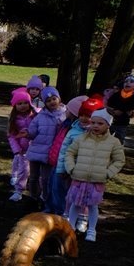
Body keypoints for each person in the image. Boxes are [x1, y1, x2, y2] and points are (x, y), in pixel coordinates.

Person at [64, 109, 125, 242]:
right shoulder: (81, 138)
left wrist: (108, 173)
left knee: (93, 205)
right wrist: (71, 168)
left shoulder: (113, 142)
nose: (96, 126)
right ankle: (70, 227)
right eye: (93, 123)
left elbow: (119, 160)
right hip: (79, 176)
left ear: (108, 125)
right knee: (75, 203)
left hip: (97, 180)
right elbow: (70, 152)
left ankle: (92, 230)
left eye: (100, 123)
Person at [46, 95, 89, 216]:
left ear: (75, 113)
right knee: (52, 187)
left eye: (68, 109)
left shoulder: (74, 130)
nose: (65, 110)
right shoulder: (65, 125)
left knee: (60, 189)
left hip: (65, 165)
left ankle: (61, 212)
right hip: (57, 161)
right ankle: (51, 208)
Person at [25, 86, 66, 208]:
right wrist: (27, 134)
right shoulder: (40, 116)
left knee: (46, 179)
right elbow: (32, 132)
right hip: (36, 151)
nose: (52, 102)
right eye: (48, 101)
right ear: (44, 103)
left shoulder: (64, 115)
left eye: (54, 99)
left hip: (50, 154)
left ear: (59, 99)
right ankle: (33, 197)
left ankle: (45, 199)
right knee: (33, 177)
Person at [7, 88, 35, 201]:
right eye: (19, 104)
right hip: (23, 150)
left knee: (36, 172)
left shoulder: (35, 115)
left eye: (25, 103)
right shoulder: (14, 119)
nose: (23, 106)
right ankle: (18, 191)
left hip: (36, 147)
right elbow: (11, 136)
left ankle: (38, 193)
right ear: (15, 106)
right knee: (24, 170)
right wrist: (17, 149)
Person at [104, 74, 134, 145]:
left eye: (131, 82)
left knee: (120, 138)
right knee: (107, 137)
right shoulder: (117, 95)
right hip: (111, 120)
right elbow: (109, 104)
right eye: (126, 81)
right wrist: (113, 110)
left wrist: (129, 110)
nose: (128, 83)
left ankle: (118, 149)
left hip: (123, 122)